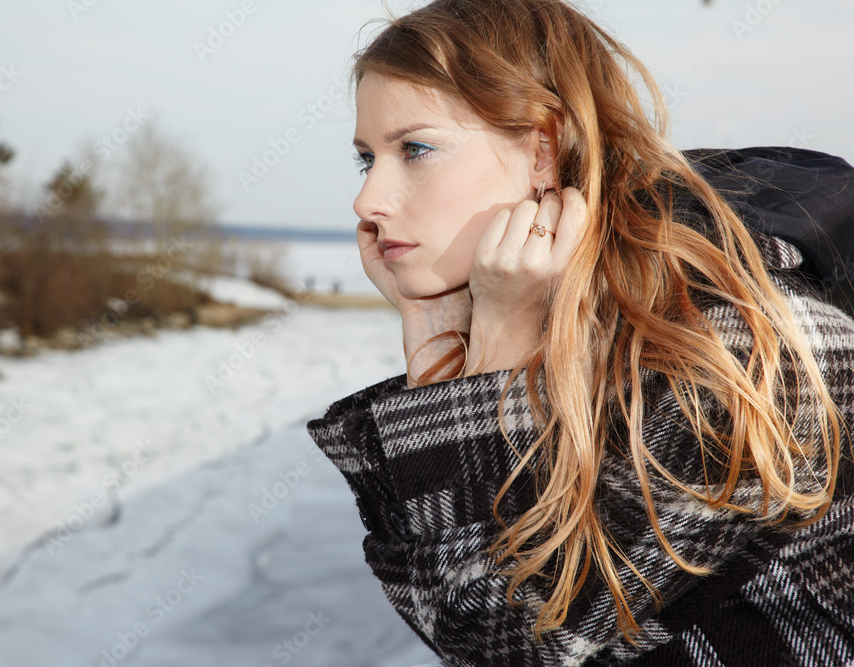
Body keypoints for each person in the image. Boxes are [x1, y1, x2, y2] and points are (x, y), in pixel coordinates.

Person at [305, 0, 854, 665]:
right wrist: (432, 334)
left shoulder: (729, 345)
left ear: (542, 149)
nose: (368, 200)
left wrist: (493, 347)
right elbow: (448, 607)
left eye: (415, 149)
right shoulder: (580, 315)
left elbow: (510, 642)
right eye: (367, 159)